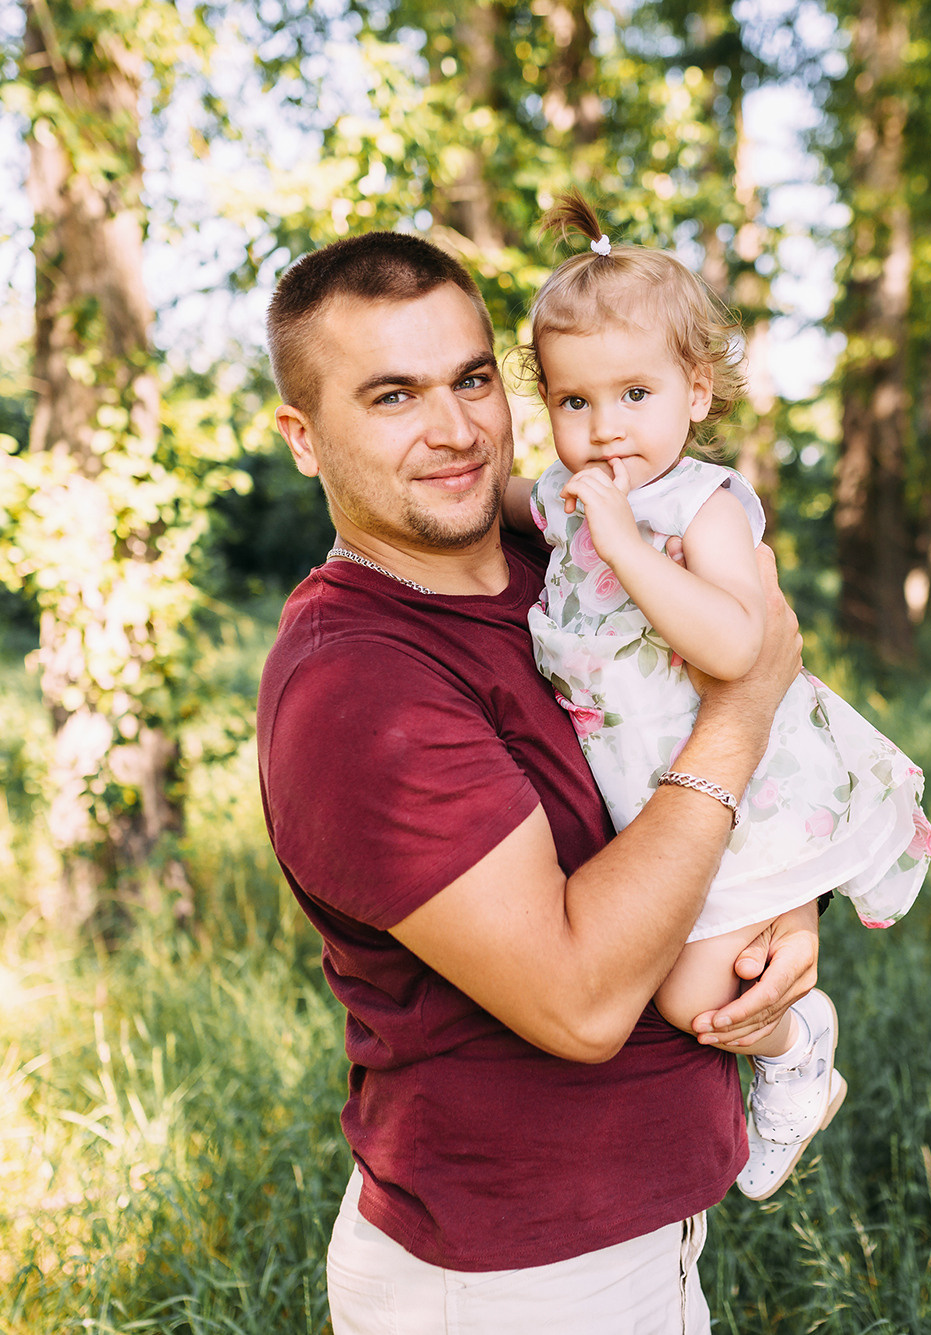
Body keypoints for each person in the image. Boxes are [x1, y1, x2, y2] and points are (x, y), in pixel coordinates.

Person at [256, 228, 819, 1331]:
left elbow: (722, 754)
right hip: (514, 1274)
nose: (455, 428)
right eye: (390, 395)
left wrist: (785, 920)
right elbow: (578, 1002)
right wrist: (739, 712)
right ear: (304, 438)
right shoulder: (356, 686)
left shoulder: (562, 566)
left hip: (637, 1224)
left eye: (472, 378)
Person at [502, 195, 931, 1200]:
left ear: (695, 390)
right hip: (654, 793)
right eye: (573, 403)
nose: (604, 429)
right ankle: (786, 1039)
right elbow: (491, 500)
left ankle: (794, 1052)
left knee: (696, 996)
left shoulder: (696, 503)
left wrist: (619, 545)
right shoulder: (574, 500)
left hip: (741, 778)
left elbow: (741, 642)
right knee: (665, 971)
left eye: (634, 394)